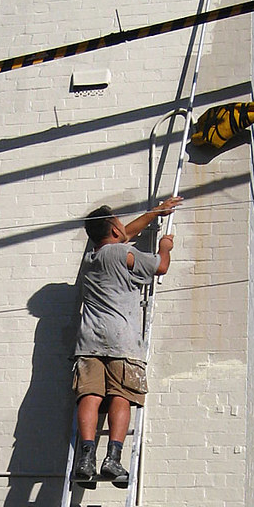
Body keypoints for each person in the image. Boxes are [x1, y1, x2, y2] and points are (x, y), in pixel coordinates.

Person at [73, 196, 182, 486]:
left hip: (89, 340)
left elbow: (123, 235)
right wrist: (164, 247)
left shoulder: (92, 257)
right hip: (121, 339)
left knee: (90, 395)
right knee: (121, 395)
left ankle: (86, 458)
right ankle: (112, 458)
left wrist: (155, 213)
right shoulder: (122, 254)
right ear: (114, 230)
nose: (124, 227)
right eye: (119, 223)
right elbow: (160, 267)